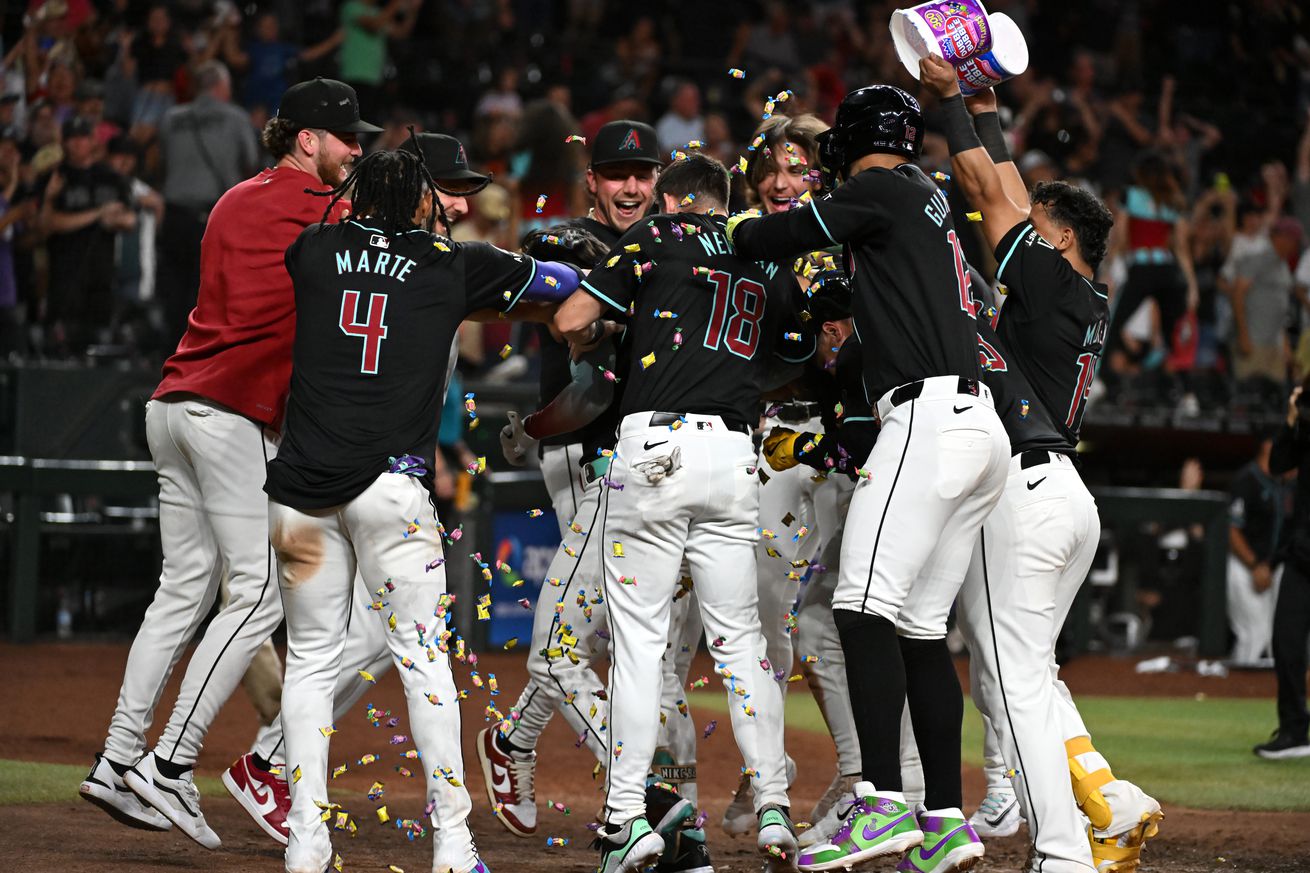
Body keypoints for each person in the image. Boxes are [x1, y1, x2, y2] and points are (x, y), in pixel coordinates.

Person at [77, 77, 377, 850]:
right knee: (261, 592)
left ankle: (116, 757)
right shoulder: (311, 203)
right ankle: (170, 764)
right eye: (346, 138)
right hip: (229, 414)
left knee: (182, 591)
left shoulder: (233, 198)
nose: (356, 152)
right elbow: (377, 234)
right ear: (306, 140)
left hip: (172, 405)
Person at [265, 145, 579, 873]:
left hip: (301, 495)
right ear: (420, 201)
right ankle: (452, 842)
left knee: (310, 663)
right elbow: (557, 279)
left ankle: (306, 842)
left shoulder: (311, 250)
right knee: (422, 660)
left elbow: (330, 241)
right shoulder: (451, 261)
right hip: (390, 492)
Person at [729, 83, 1010, 873]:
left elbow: (776, 235)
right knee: (921, 628)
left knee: (856, 606)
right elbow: (881, 290)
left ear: (848, 142)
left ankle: (881, 803)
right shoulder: (923, 194)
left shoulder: (877, 186)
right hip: (976, 424)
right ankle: (947, 818)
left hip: (923, 421)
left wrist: (725, 225)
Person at [920, 54, 1164, 873]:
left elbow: (993, 195)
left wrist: (952, 105)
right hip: (1064, 494)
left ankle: (1062, 853)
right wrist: (991, 114)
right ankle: (1111, 802)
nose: (1022, 220)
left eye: (1040, 221)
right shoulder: (1083, 290)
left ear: (1059, 239)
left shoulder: (1052, 281)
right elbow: (1014, 195)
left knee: (1013, 681)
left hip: (1021, 495)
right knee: (1028, 671)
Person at [555, 153, 812, 873]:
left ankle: (626, 815)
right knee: (740, 644)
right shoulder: (761, 256)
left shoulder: (654, 239)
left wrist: (609, 331)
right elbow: (798, 351)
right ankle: (773, 807)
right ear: (724, 202)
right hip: (733, 454)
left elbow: (573, 317)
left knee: (640, 641)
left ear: (671, 200)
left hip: (655, 447)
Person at [156, 60, 259, 349]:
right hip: (213, 218)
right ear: (220, 87)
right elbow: (250, 163)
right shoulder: (237, 118)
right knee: (209, 293)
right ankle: (204, 356)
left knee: (173, 293)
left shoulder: (170, 118)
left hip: (174, 217)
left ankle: (167, 356)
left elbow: (164, 162)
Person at [38, 114, 135, 354]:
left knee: (98, 346)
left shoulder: (110, 177)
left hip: (101, 274)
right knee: (62, 346)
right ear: (64, 143)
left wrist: (115, 221)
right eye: (72, 138)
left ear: (93, 141)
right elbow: (48, 224)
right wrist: (98, 215)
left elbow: (130, 219)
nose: (78, 144)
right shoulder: (56, 177)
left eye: (83, 138)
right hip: (65, 275)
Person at [1257, 381, 1310, 759]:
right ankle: (1293, 730)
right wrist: (1291, 422)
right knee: (1286, 642)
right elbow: (1278, 464)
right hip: (1303, 552)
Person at [1106, 151, 1198, 364]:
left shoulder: (1130, 196)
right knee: (1169, 330)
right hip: (1167, 269)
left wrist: (1110, 268)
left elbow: (1120, 237)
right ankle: (1180, 385)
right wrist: (1191, 285)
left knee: (1115, 322)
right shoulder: (1172, 202)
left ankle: (1101, 379)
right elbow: (1181, 248)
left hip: (1142, 268)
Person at [1229, 436, 1292, 668]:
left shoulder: (1285, 483)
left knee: (1277, 636)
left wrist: (1270, 566)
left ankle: (1260, 696)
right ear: (1267, 448)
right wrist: (1256, 565)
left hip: (1274, 566)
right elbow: (1231, 531)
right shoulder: (1246, 479)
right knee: (1254, 634)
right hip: (1244, 565)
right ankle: (1233, 694)